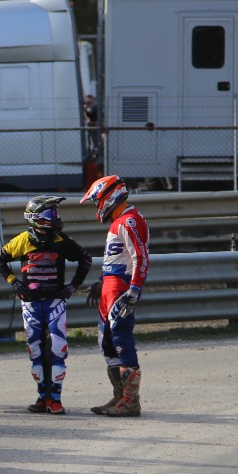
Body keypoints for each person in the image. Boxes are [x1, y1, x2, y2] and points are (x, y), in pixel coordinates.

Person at [0, 196, 93, 414]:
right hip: (31, 303)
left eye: (56, 213)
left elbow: (85, 259)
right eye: (51, 214)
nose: (56, 218)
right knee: (35, 351)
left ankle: (55, 399)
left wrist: (73, 286)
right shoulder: (23, 240)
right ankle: (41, 397)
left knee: (57, 348)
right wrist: (14, 282)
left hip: (55, 301)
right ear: (35, 218)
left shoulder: (62, 240)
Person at [80, 176, 150, 417]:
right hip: (111, 287)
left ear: (109, 197)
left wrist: (134, 290)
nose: (97, 207)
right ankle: (119, 396)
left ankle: (130, 401)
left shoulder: (130, 221)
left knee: (121, 340)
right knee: (107, 343)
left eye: (97, 201)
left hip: (121, 289)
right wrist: (101, 282)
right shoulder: (121, 220)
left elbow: (140, 257)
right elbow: (117, 258)